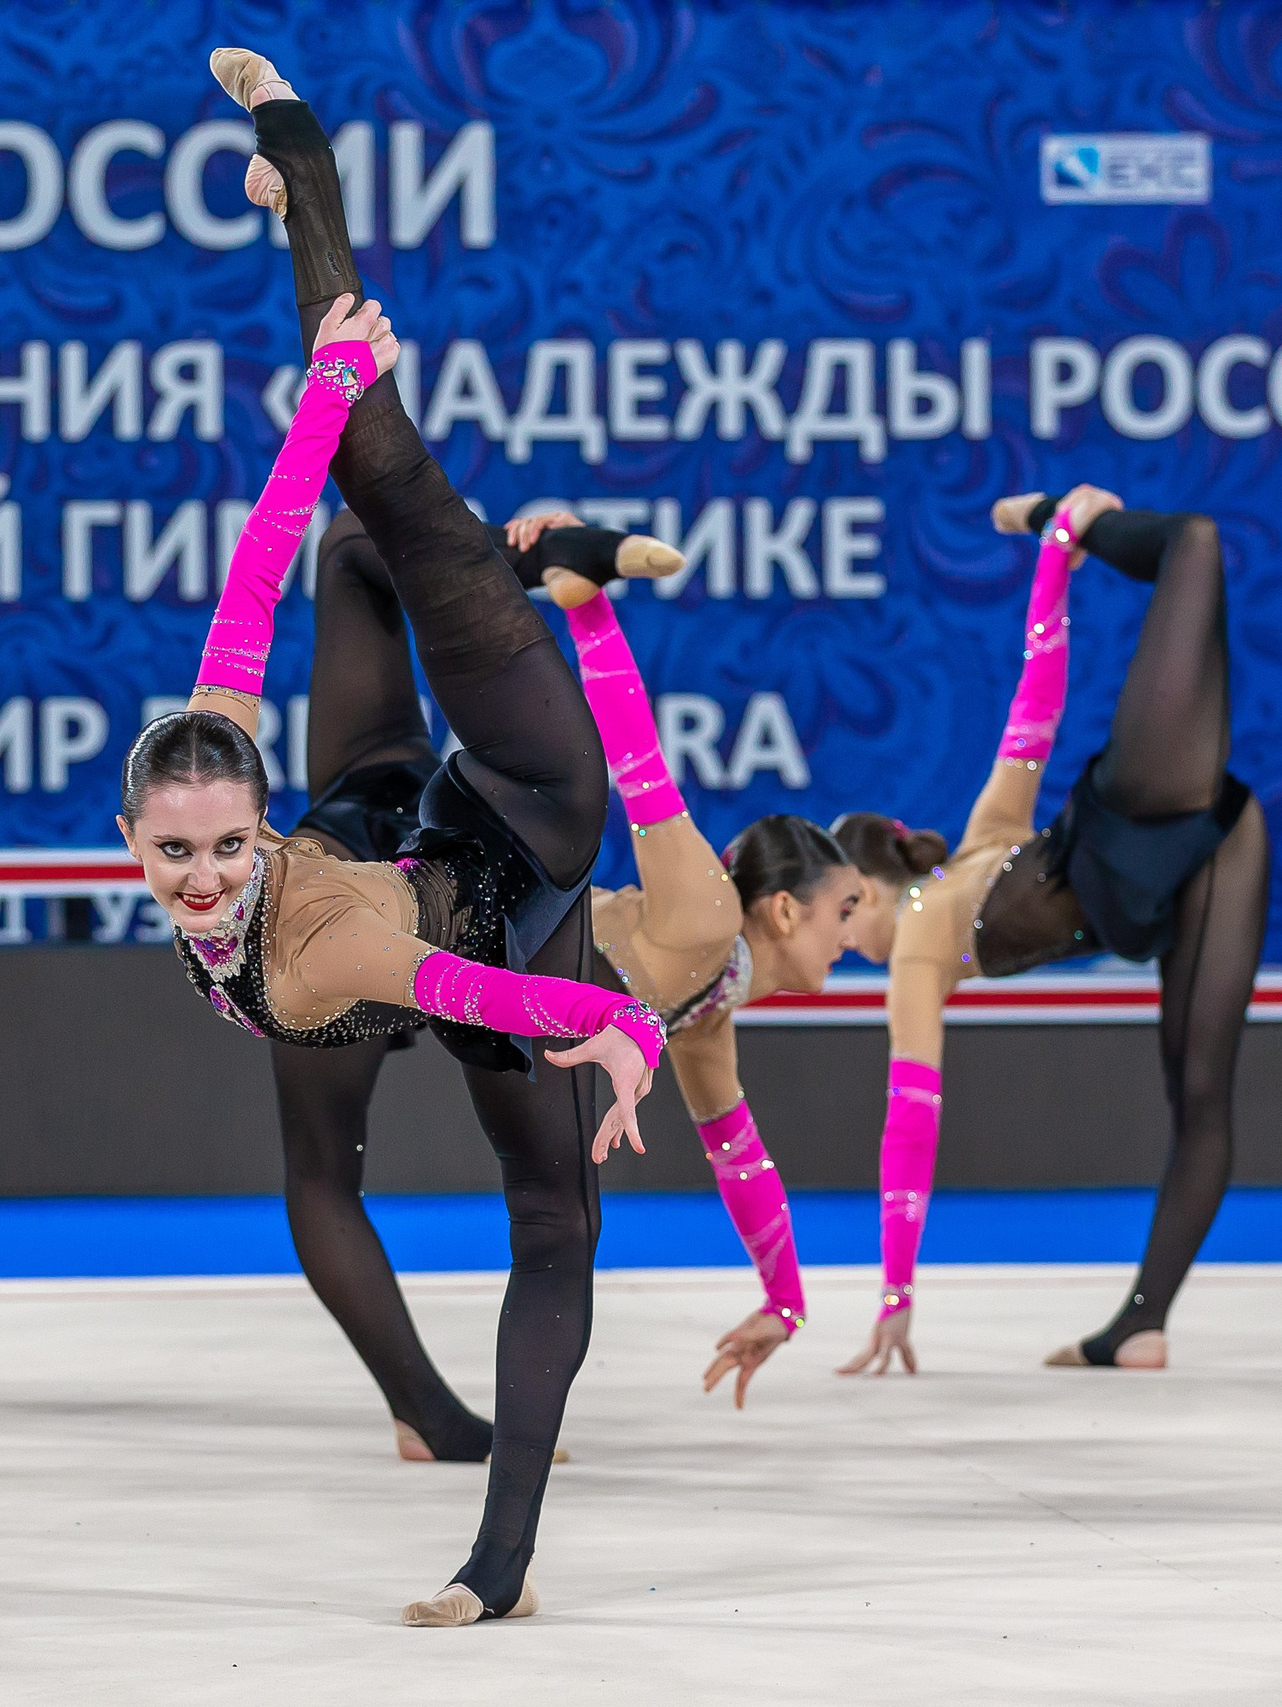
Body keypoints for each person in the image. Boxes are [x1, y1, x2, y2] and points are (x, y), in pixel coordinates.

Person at [116, 51, 665, 1627]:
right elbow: (246, 575)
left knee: (382, 475)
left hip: (522, 811)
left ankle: (500, 1558)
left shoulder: (318, 927)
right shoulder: (208, 810)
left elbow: (526, 1005)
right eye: (181, 856)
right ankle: (357, 318)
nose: (204, 875)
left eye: (222, 847)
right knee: (340, 522)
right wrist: (310, 414)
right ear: (138, 837)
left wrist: (622, 1028)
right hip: (431, 863)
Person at [279, 508, 867, 1429]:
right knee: (355, 538)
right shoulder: (707, 911)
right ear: (784, 908)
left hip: (400, 851)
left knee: (356, 547)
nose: (856, 935)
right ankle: (427, 1418)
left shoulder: (704, 1011)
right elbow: (629, 760)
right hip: (407, 891)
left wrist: (785, 1301)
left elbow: (740, 1157)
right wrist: (584, 598)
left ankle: (424, 1416)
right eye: (847, 909)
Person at [832, 485, 1265, 1376]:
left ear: (868, 888)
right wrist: (1048, 575)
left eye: (842, 918)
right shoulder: (983, 841)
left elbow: (908, 1122)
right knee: (1200, 1099)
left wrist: (1060, 542)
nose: (843, 945)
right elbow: (1035, 691)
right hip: (1202, 860)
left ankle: (1069, 515)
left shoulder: (916, 931)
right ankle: (1141, 1323)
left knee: (1195, 539)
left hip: (1137, 828)